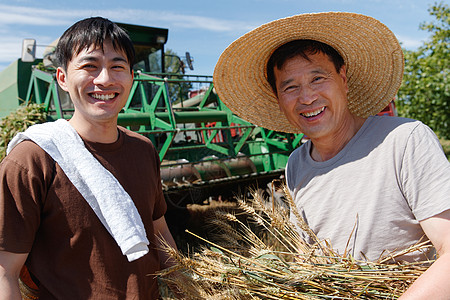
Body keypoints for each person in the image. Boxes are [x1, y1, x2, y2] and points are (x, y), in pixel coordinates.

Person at [213, 12, 450, 298]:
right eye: (290, 87)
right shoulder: (296, 165)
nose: (307, 97)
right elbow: (309, 259)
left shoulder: (404, 141)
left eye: (318, 78)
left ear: (344, 79)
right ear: (278, 99)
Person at [0, 17, 177, 299]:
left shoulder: (143, 150)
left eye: (117, 66)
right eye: (89, 66)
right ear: (62, 78)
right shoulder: (32, 160)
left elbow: (159, 231)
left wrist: (189, 288)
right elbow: (5, 272)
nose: (105, 79)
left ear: (132, 77)